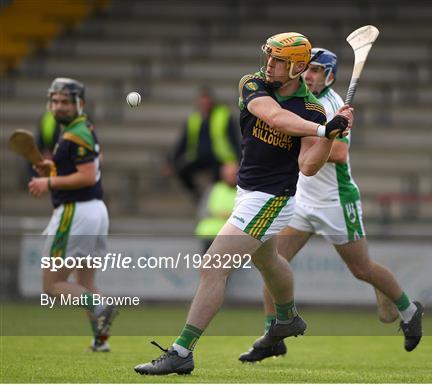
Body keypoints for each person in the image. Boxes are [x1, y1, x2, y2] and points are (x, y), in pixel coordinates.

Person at [134, 32, 353, 375]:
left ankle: (182, 351)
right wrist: (325, 129)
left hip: (274, 198)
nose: (269, 63)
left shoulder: (312, 109)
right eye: (269, 56)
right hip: (247, 192)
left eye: (278, 60)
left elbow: (308, 166)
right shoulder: (254, 84)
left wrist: (330, 137)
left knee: (213, 266)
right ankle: (287, 318)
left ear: (296, 67)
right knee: (269, 261)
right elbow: (275, 118)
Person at [238, 48, 424, 363]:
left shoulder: (334, 105)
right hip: (302, 200)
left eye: (317, 71)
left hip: (336, 201)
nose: (309, 75)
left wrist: (310, 133)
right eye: (306, 69)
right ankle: (274, 334)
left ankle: (409, 310)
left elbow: (339, 154)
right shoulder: (296, 98)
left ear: (330, 76)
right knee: (273, 264)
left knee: (361, 269)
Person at [29, 78, 117, 352]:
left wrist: (49, 182)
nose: (59, 107)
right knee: (85, 281)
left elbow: (87, 175)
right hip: (94, 211)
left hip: (75, 213)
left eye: (65, 102)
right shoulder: (81, 128)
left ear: (80, 104)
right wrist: (53, 168)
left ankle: (102, 307)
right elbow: (83, 167)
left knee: (52, 285)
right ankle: (100, 340)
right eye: (55, 101)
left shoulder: (74, 134)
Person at [165, 88, 241, 200]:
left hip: (220, 158)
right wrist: (171, 161)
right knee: (182, 171)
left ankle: (214, 201)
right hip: (200, 156)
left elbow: (234, 139)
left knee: (219, 179)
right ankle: (198, 196)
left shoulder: (223, 115)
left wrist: (237, 160)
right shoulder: (194, 118)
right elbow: (183, 142)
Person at [195, 162, 239, 251]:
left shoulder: (243, 191)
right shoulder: (214, 189)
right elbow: (202, 211)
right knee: (209, 263)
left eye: (233, 175)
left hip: (233, 235)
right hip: (210, 233)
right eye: (228, 175)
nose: (231, 177)